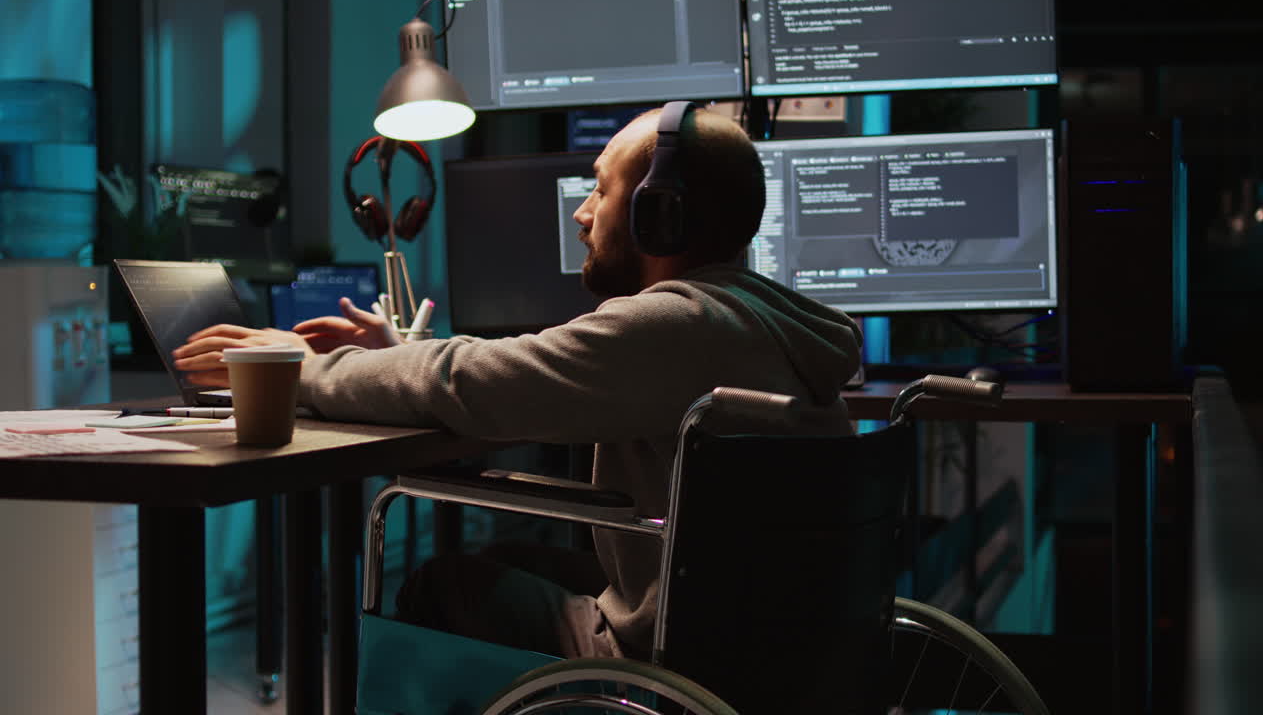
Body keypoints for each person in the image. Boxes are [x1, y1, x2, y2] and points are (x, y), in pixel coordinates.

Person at [173, 104, 863, 661]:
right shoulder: (757, 321)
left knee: (444, 586)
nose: (582, 214)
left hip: (683, 648)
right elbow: (502, 372)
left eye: (600, 189)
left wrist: (298, 367)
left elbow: (474, 384)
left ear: (662, 212)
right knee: (501, 561)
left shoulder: (676, 323)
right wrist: (395, 356)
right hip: (771, 637)